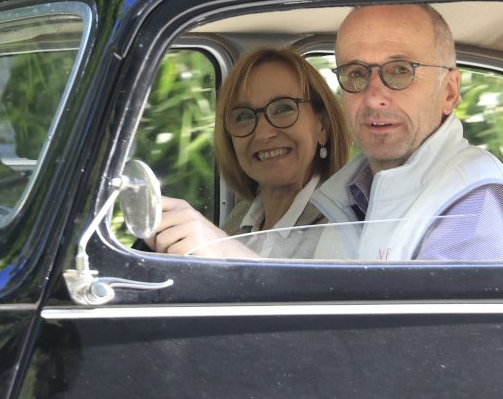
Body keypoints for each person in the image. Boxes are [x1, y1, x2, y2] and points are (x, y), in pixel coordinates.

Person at [306, 3, 503, 260]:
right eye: (355, 74)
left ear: (449, 92)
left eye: (400, 70)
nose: (373, 98)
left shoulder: (474, 202)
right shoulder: (344, 194)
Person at [148, 47, 351, 258]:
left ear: (323, 125)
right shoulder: (241, 217)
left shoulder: (342, 223)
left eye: (283, 109)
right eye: (243, 116)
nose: (263, 134)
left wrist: (225, 251)